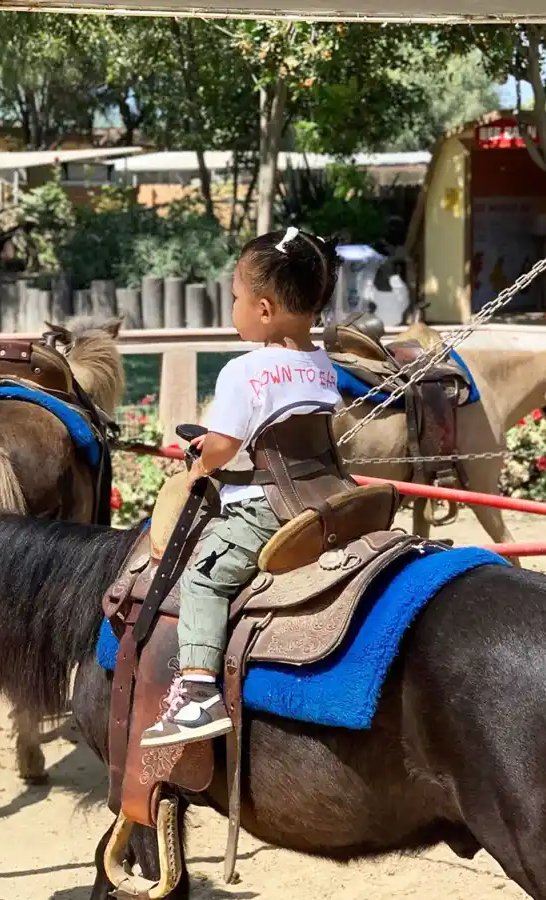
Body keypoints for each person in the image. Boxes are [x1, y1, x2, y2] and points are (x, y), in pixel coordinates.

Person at [140, 226, 343, 748]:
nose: (232, 308)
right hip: (325, 498)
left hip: (265, 512)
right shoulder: (323, 368)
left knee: (203, 580)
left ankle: (198, 694)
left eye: (235, 298)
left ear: (266, 309)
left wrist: (199, 459)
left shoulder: (243, 371)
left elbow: (224, 449)